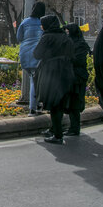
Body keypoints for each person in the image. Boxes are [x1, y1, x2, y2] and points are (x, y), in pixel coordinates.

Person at [33, 15, 75, 144]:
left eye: (42, 24)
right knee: (60, 102)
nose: (41, 26)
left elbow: (37, 54)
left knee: (53, 103)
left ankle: (57, 135)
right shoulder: (65, 37)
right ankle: (54, 129)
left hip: (51, 72)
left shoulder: (47, 37)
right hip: (66, 71)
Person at [17, 1, 46, 116]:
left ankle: (36, 104)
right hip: (36, 54)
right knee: (35, 81)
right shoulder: (42, 23)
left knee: (32, 79)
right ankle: (33, 108)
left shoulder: (25, 22)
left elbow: (19, 37)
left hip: (24, 53)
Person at [63, 23, 91, 136]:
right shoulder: (77, 43)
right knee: (72, 102)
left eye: (68, 32)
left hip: (77, 77)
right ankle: (73, 127)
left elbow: (77, 60)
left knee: (74, 102)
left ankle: (75, 128)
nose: (66, 34)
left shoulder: (80, 45)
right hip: (74, 76)